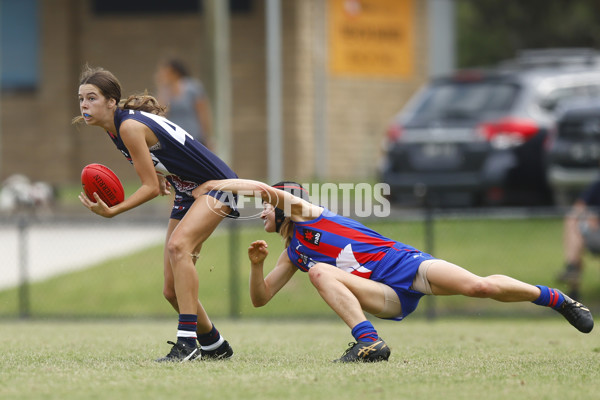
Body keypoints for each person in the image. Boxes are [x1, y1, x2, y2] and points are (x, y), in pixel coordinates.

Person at [193, 179, 594, 363]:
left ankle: (557, 299)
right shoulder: (294, 253)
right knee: (319, 273)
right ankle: (370, 342)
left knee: (480, 286)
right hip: (385, 296)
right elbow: (260, 299)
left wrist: (215, 184)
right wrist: (256, 266)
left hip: (404, 264)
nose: (262, 211)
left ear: (285, 207)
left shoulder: (309, 215)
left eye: (268, 206)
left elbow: (267, 191)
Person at [74, 65, 236, 362]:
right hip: (188, 190)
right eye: (81, 99)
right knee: (171, 290)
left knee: (179, 247)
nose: (84, 105)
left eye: (92, 98)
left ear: (112, 102)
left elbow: (148, 188)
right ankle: (215, 344)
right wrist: (163, 174)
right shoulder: (117, 129)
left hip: (218, 186)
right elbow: (161, 151)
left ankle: (187, 345)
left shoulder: (127, 127)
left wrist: (113, 210)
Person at [155, 58, 213, 149]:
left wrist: (206, 137)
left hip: (194, 137)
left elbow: (202, 113)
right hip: (174, 138)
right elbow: (160, 113)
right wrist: (162, 87)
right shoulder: (165, 91)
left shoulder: (192, 87)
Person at [557, 179, 600, 299]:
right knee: (572, 219)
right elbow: (578, 208)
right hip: (596, 234)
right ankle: (572, 267)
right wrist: (589, 216)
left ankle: (572, 267)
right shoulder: (596, 185)